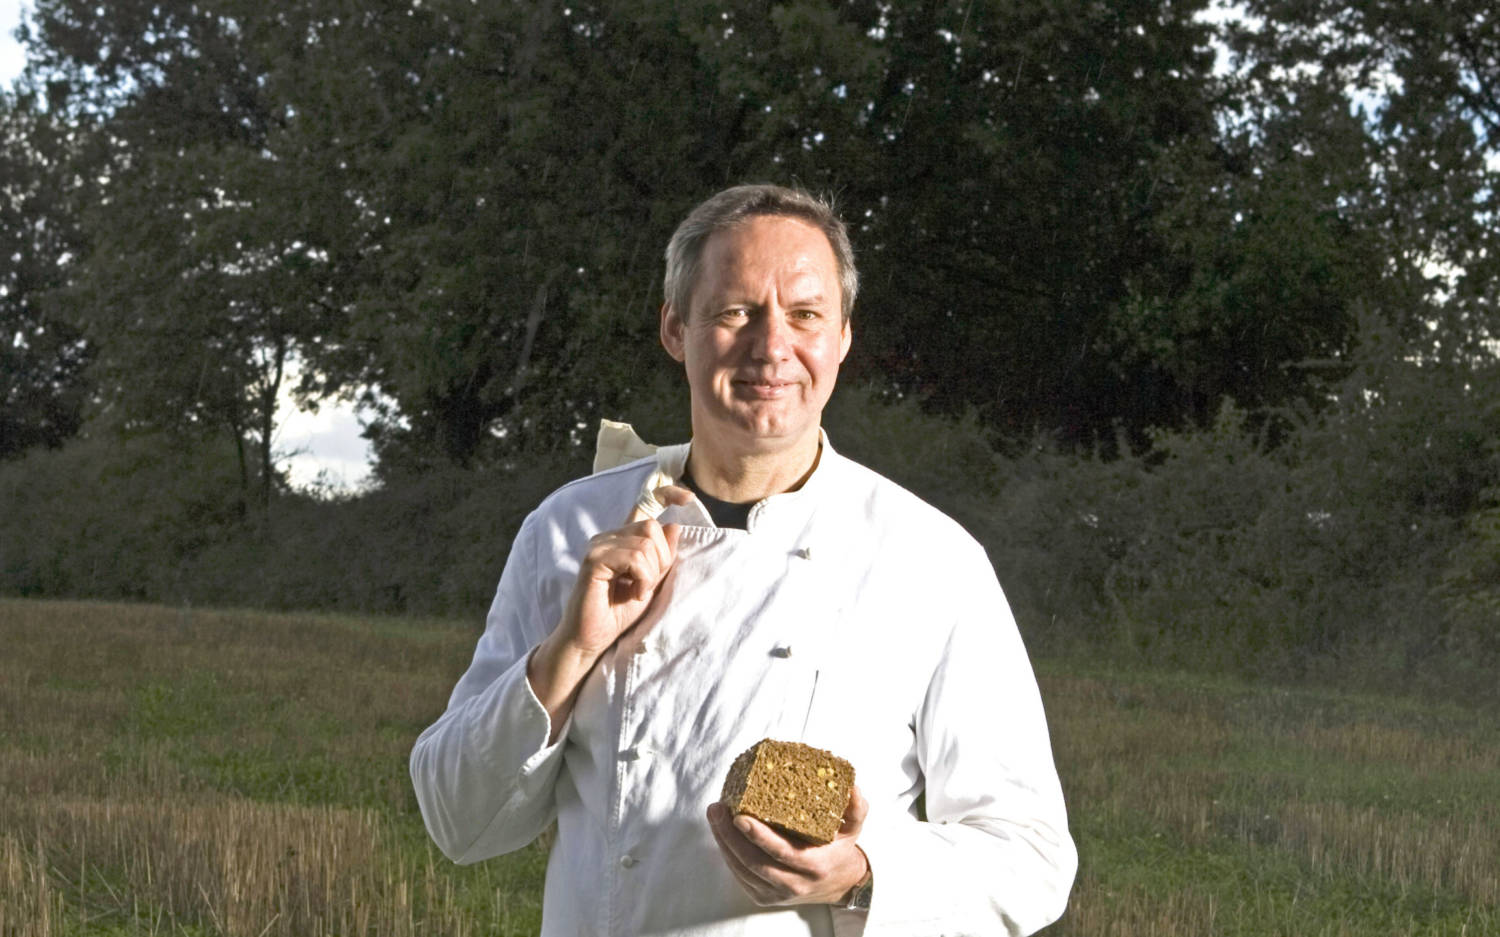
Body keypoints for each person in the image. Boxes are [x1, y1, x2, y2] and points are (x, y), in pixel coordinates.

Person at [409, 184, 1076, 936]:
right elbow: (455, 821)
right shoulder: (572, 527)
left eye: (805, 315)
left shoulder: (931, 560)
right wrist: (568, 652)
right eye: (735, 312)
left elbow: (1032, 855)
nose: (772, 347)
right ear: (675, 327)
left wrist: (862, 874)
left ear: (843, 337)